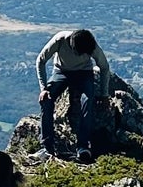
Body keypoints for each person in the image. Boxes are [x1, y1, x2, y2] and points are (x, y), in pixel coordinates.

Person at [37, 27, 114, 162]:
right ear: (72, 45)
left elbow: (104, 66)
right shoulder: (60, 40)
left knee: (88, 100)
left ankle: (83, 147)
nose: (80, 55)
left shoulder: (91, 45)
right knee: (46, 99)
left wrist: (104, 94)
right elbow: (41, 60)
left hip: (84, 72)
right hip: (61, 71)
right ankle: (47, 147)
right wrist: (43, 88)